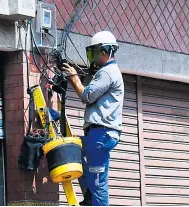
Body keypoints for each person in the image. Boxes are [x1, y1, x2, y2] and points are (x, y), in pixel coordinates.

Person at [61, 31, 124, 206]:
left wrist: (73, 78)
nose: (93, 58)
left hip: (101, 133)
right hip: (99, 134)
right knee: (74, 147)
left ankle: (92, 195)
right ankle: (89, 194)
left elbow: (87, 95)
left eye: (94, 53)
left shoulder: (107, 73)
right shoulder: (107, 72)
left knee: (99, 183)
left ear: (103, 51)